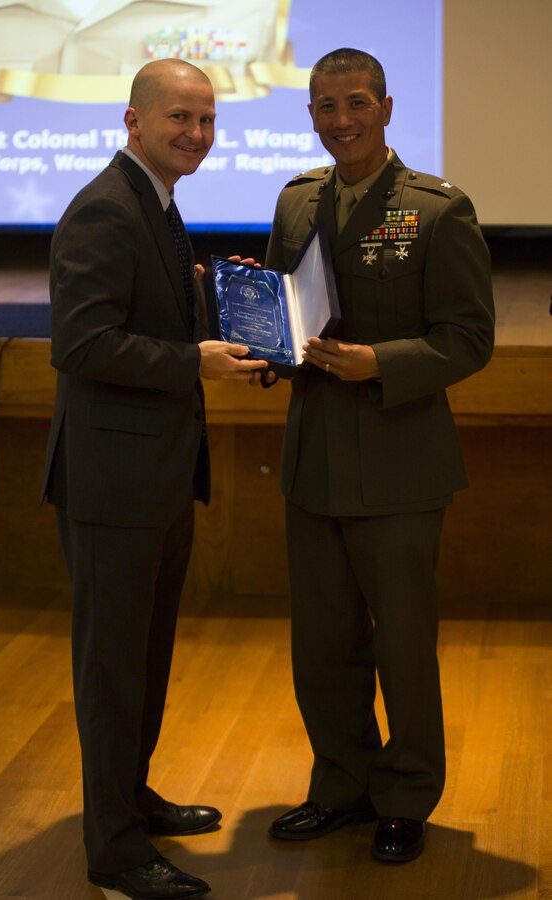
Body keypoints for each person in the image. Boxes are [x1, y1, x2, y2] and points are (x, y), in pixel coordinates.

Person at [260, 48, 495, 862]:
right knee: (322, 644)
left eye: (356, 103)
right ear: (312, 116)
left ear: (388, 108)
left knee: (401, 643)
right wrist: (265, 341)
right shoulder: (294, 203)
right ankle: (341, 787)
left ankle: (404, 797)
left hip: (399, 462)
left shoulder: (437, 209)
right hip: (314, 454)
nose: (341, 121)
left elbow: (468, 339)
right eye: (325, 107)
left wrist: (380, 364)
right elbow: (288, 313)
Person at [41, 58, 267, 899]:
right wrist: (194, 359)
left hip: (155, 478)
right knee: (112, 672)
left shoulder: (157, 202)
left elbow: (141, 315)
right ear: (133, 121)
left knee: (143, 658)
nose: (197, 135)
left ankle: (128, 802)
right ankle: (114, 850)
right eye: (180, 118)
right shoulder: (106, 209)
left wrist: (212, 300)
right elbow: (83, 345)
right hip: (113, 486)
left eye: (207, 120)